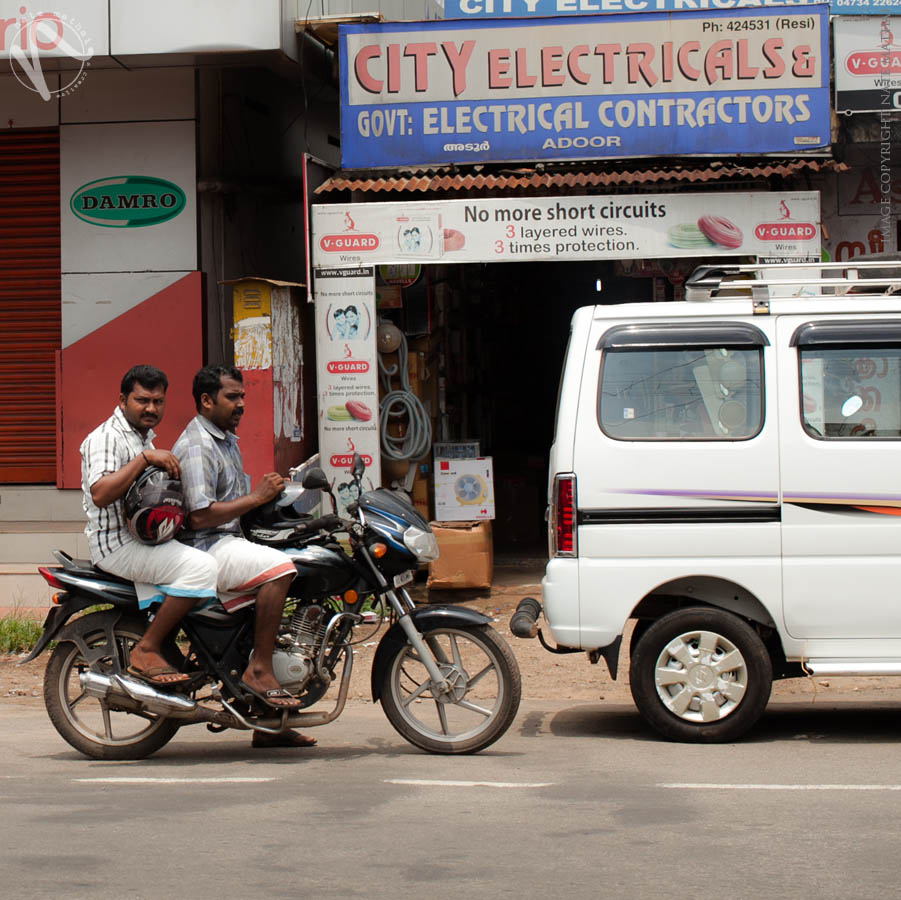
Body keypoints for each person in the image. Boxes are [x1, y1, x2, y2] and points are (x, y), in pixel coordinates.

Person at [173, 365, 317, 748]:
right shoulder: (197, 445)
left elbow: (233, 504)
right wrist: (257, 497)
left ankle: (270, 724)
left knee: (296, 555)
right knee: (279, 570)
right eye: (231, 397)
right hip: (206, 547)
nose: (240, 405)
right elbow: (199, 515)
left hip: (228, 538)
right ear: (206, 400)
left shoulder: (224, 438)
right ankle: (259, 669)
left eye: (242, 397)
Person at [80, 365, 219, 686]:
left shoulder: (143, 437)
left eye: (158, 402)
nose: (151, 408)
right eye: (142, 400)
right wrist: (144, 460)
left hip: (144, 540)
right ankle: (146, 649)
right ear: (122, 399)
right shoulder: (106, 438)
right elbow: (100, 493)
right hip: (117, 545)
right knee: (201, 568)